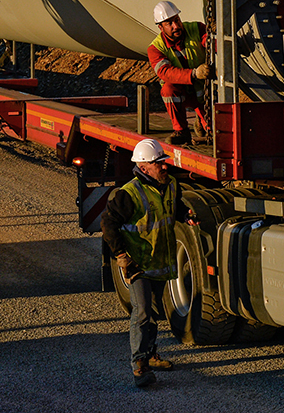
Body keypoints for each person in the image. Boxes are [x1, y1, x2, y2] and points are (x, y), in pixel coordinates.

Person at [101, 138, 192, 388]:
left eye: (163, 161)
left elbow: (173, 208)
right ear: (143, 168)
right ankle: (139, 366)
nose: (164, 166)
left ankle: (150, 355)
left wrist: (185, 215)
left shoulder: (170, 185)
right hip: (138, 264)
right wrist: (121, 256)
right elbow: (108, 224)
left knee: (153, 312)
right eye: (157, 163)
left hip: (159, 261)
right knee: (141, 312)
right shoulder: (129, 194)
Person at [148, 0, 213, 145]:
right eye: (169, 23)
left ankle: (203, 122)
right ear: (160, 27)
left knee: (214, 132)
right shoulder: (155, 48)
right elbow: (165, 72)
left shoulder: (196, 28)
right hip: (181, 91)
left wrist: (214, 41)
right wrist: (194, 73)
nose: (176, 26)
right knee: (168, 89)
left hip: (202, 92)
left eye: (177, 20)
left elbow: (209, 42)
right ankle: (181, 131)